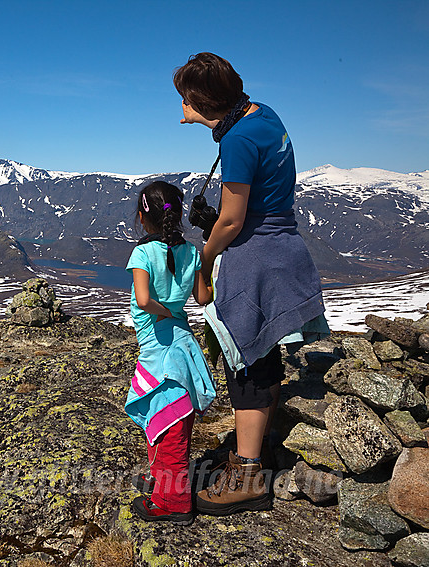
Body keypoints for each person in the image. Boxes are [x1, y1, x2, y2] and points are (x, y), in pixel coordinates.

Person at [173, 52, 326, 515]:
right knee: (263, 356)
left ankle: (247, 473)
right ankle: (252, 449)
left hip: (256, 258)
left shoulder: (237, 139)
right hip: (284, 247)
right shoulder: (264, 115)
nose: (180, 110)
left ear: (202, 100)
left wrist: (204, 255)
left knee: (244, 362)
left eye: (184, 100)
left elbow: (234, 219)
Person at [124, 180, 216, 525]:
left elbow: (144, 300)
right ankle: (161, 481)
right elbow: (203, 298)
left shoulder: (142, 254)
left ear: (141, 216)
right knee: (170, 422)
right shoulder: (191, 252)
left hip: (161, 351)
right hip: (183, 346)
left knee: (168, 426)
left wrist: (165, 312)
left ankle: (172, 502)